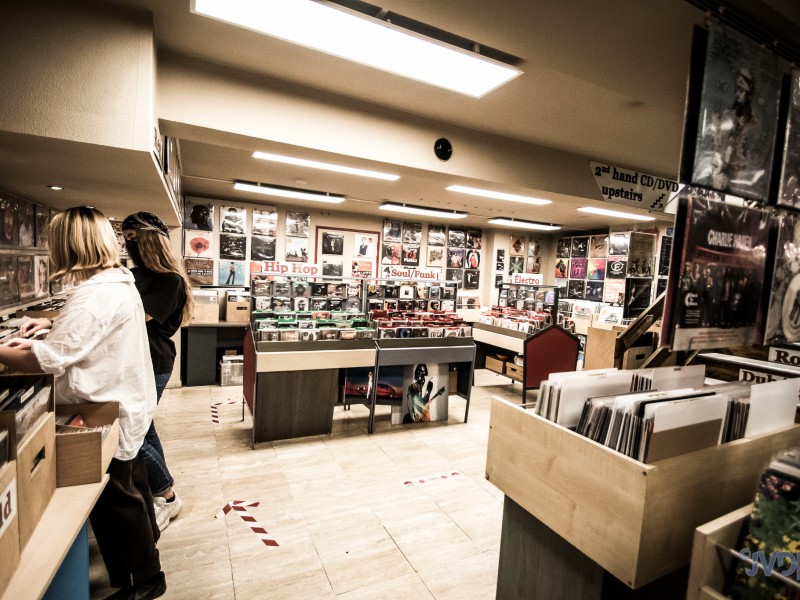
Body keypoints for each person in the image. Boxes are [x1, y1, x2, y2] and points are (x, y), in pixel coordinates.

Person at [8, 206, 165, 599]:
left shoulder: (98, 294)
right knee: (132, 487)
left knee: (117, 502)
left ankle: (142, 580)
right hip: (121, 399)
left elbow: (49, 358)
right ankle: (148, 553)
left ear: (68, 245)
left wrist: (5, 352)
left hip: (107, 404)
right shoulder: (115, 282)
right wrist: (53, 323)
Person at [121, 211, 193, 532]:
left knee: (132, 434)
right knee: (144, 429)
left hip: (153, 363)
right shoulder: (134, 275)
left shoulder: (170, 281)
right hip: (134, 362)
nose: (127, 246)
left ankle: (166, 492)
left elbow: (135, 319)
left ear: (149, 241)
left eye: (132, 239)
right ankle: (159, 491)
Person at [710, 67, 766, 193]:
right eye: (736, 89)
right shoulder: (733, 120)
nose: (736, 94)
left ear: (750, 94)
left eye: (741, 90)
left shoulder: (754, 128)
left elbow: (749, 169)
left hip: (738, 190)